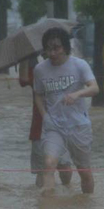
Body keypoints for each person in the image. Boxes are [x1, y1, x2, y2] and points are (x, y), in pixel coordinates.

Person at [33, 27, 99, 194]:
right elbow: (38, 95)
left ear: (65, 47)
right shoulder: (40, 70)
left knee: (84, 171)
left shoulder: (79, 65)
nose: (52, 52)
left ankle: (88, 206)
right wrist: (45, 116)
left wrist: (77, 94)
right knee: (49, 164)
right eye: (48, 48)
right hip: (54, 126)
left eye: (56, 47)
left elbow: (94, 88)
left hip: (78, 126)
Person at [18, 55, 73, 188]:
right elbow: (24, 79)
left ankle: (67, 192)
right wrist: (25, 56)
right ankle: (42, 201)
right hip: (40, 126)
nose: (52, 52)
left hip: (63, 125)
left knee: (65, 166)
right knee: (42, 169)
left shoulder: (67, 69)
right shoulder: (38, 70)